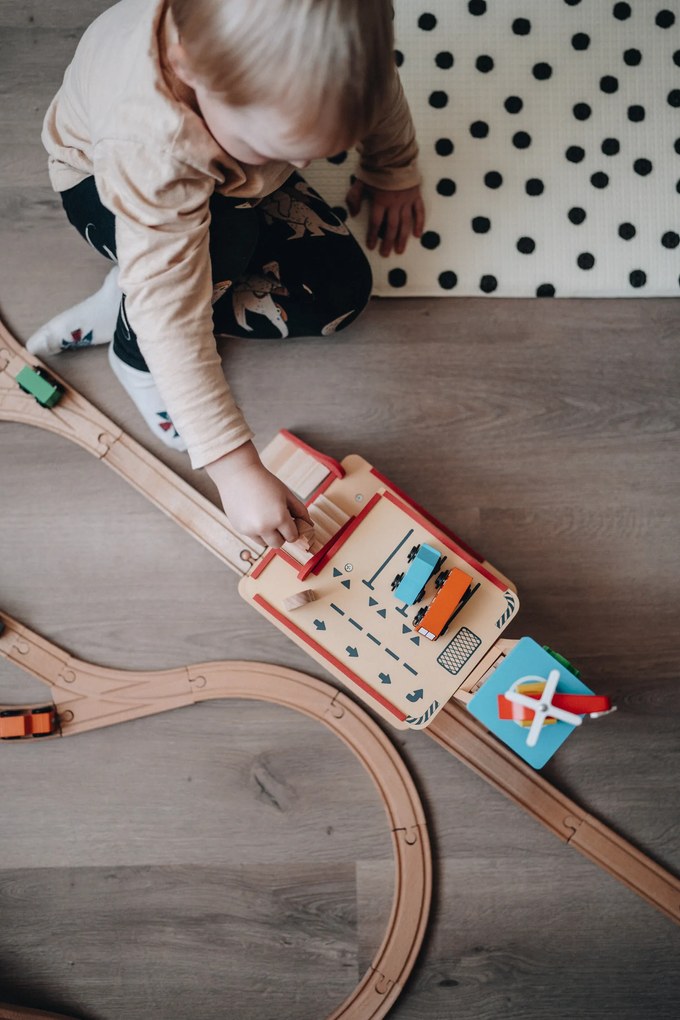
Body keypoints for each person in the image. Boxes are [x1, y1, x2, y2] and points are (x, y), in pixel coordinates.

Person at [28, 0, 424, 548]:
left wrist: (392, 170)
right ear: (189, 69)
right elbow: (173, 309)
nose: (305, 167)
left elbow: (379, 96)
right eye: (276, 148)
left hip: (219, 187)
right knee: (210, 254)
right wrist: (233, 466)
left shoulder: (336, 56)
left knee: (341, 299)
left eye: (318, 150)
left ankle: (134, 283)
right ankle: (133, 347)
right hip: (105, 185)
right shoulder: (149, 143)